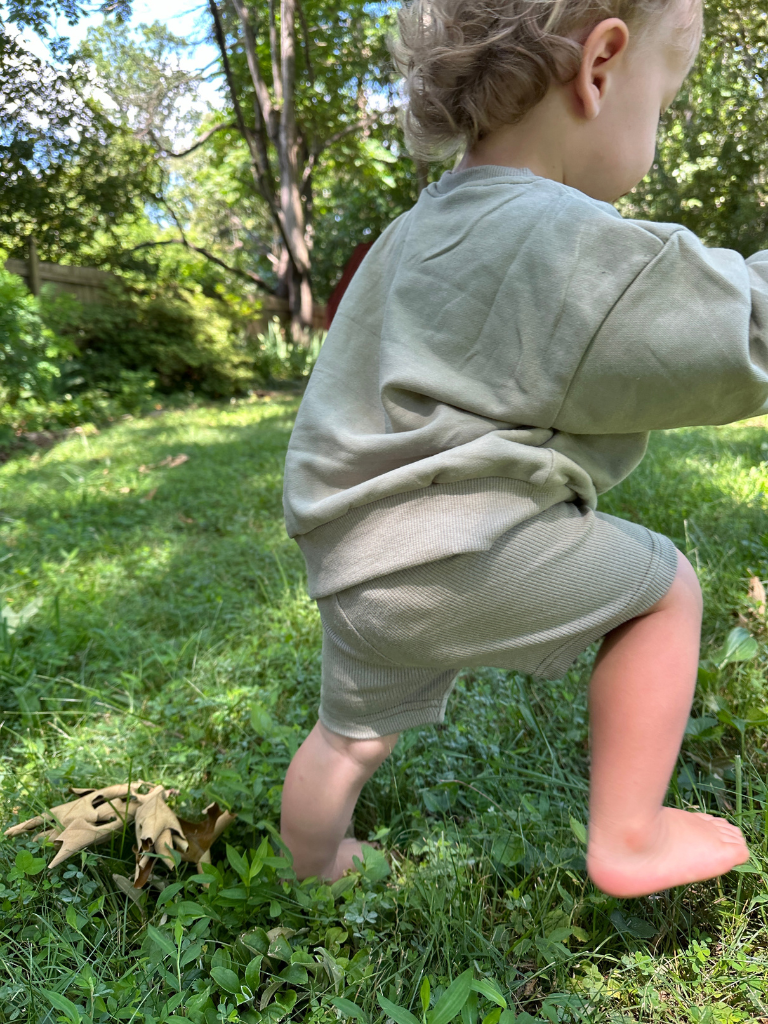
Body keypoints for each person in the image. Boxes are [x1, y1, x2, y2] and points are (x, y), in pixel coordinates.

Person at [279, 0, 761, 898]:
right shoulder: (561, 238)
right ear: (603, 67)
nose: (658, 128)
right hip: (463, 549)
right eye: (664, 104)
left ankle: (315, 872)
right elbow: (740, 335)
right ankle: (630, 833)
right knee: (665, 593)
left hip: (350, 566)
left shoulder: (409, 234)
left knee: (348, 739)